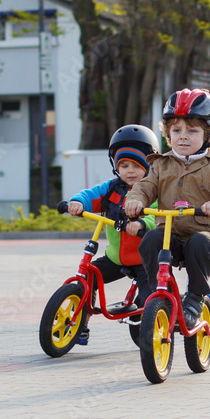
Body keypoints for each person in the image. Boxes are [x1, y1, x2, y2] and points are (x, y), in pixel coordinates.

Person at [124, 89, 210, 331]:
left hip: (206, 236)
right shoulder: (160, 164)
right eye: (176, 130)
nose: (183, 137)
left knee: (199, 243)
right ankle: (162, 292)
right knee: (150, 239)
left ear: (209, 134)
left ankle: (196, 298)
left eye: (192, 131)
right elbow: (144, 187)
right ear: (168, 133)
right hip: (171, 235)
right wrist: (134, 201)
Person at [65, 125, 160, 344]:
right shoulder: (112, 188)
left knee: (147, 301)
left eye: (137, 165)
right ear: (116, 166)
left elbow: (158, 215)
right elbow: (92, 194)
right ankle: (82, 323)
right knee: (88, 277)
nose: (130, 171)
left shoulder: (152, 190)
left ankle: (152, 329)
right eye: (124, 165)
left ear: (149, 165)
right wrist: (79, 202)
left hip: (145, 260)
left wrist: (143, 224)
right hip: (115, 257)